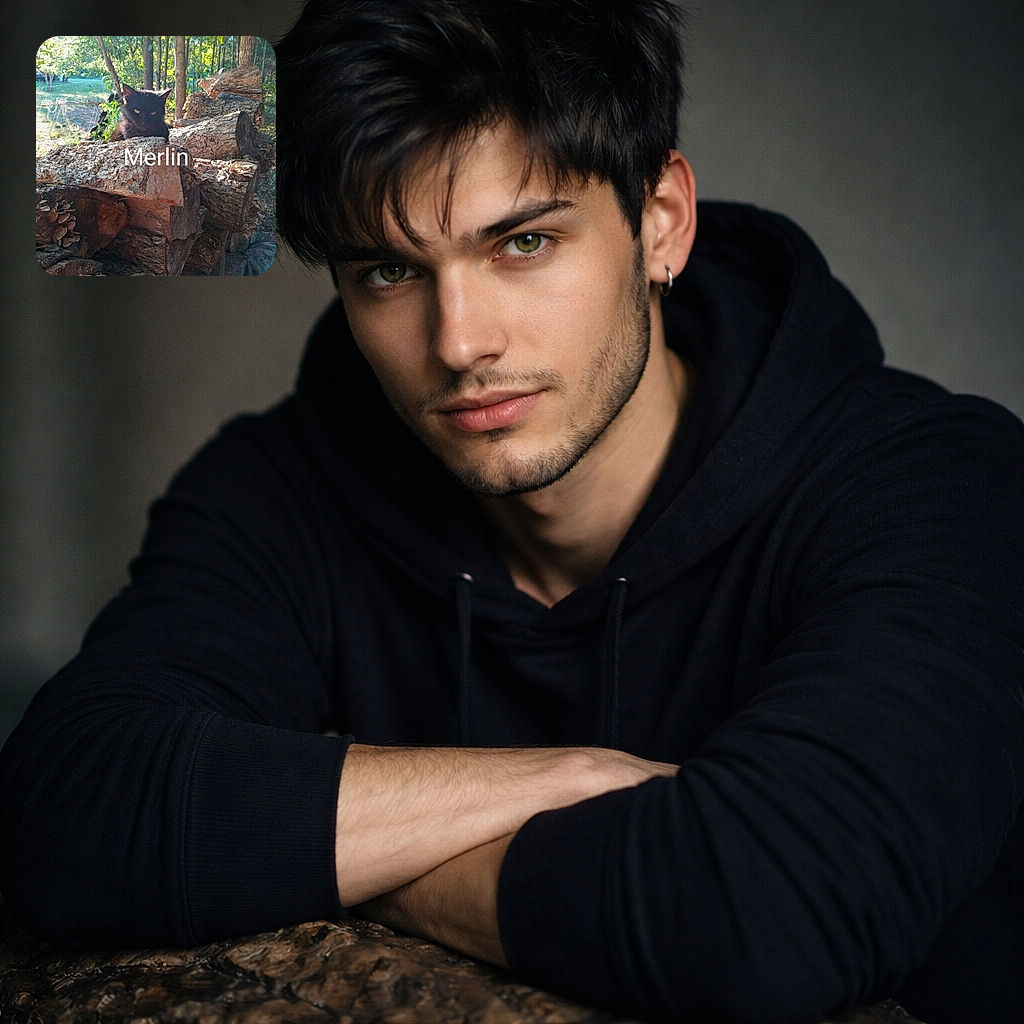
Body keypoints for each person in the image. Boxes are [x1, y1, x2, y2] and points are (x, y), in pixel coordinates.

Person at [2, 2, 1023, 1022]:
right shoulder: (276, 487)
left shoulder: (943, 487)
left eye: (523, 242)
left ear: (660, 220)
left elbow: (767, 916)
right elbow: (63, 809)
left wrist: (338, 856)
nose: (458, 342)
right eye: (390, 271)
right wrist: (559, 780)